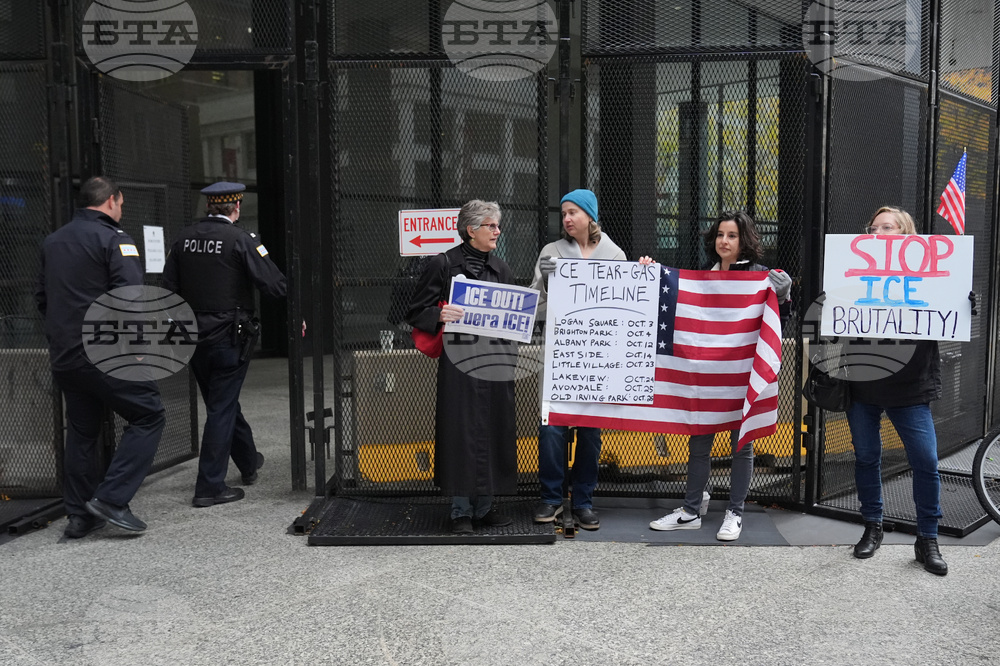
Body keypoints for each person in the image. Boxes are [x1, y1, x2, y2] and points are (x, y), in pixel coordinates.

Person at [35, 176, 166, 536]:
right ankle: (111, 498)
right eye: (121, 205)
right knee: (149, 415)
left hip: (66, 355)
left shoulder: (53, 241)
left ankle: (79, 517)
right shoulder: (115, 240)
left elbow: (43, 299)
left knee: (81, 430)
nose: (121, 211)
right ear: (111, 200)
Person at [649, 210, 791, 541]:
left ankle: (735, 512)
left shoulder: (762, 277)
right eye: (720, 235)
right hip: (705, 377)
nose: (724, 241)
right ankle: (691, 510)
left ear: (745, 241)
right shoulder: (702, 278)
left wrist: (782, 295)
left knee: (742, 446)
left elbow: (780, 319)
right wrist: (648, 275)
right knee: (699, 441)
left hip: (743, 374)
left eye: (732, 235)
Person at [161, 182, 287, 508]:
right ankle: (209, 486)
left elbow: (168, 289)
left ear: (209, 207)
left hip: (192, 339)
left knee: (223, 402)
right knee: (221, 407)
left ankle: (248, 462)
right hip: (229, 338)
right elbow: (274, 285)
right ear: (236, 207)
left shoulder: (182, 239)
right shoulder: (241, 240)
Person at [844, 206, 947, 575]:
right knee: (867, 457)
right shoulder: (853, 272)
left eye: (888, 227)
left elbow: (946, 316)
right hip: (863, 381)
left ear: (907, 234)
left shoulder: (934, 278)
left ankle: (928, 539)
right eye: (873, 228)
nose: (879, 233)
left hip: (911, 385)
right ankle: (873, 526)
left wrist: (962, 305)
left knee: (925, 461)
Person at [406, 200, 517, 534]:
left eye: (498, 225)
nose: (498, 231)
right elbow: (415, 309)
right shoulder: (442, 264)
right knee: (461, 430)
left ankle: (484, 507)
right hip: (459, 364)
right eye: (491, 226)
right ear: (472, 230)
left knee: (494, 428)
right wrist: (438, 314)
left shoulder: (502, 268)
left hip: (495, 361)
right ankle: (460, 512)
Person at [530, 188, 629, 531]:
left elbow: (624, 309)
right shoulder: (550, 252)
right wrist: (544, 281)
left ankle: (584, 500)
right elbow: (534, 310)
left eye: (573, 212)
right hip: (559, 357)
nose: (567, 219)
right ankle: (552, 497)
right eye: (564, 214)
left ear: (590, 216)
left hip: (597, 358)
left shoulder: (614, 255)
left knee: (589, 432)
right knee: (552, 429)